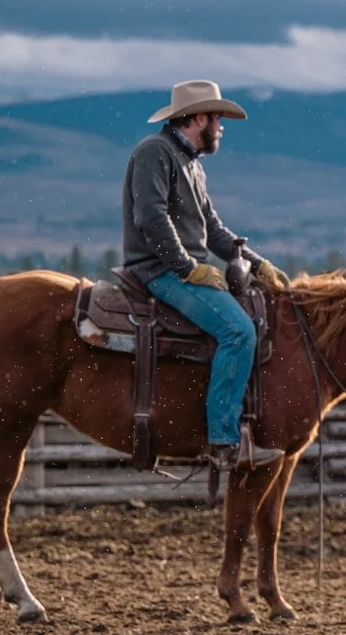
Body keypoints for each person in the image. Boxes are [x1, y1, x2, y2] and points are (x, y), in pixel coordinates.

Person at [122, 79, 289, 470]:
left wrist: (256, 261)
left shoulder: (190, 164)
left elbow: (212, 228)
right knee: (238, 331)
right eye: (218, 119)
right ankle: (223, 441)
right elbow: (151, 218)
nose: (222, 128)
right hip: (159, 271)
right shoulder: (155, 153)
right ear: (199, 118)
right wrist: (189, 268)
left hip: (179, 269)